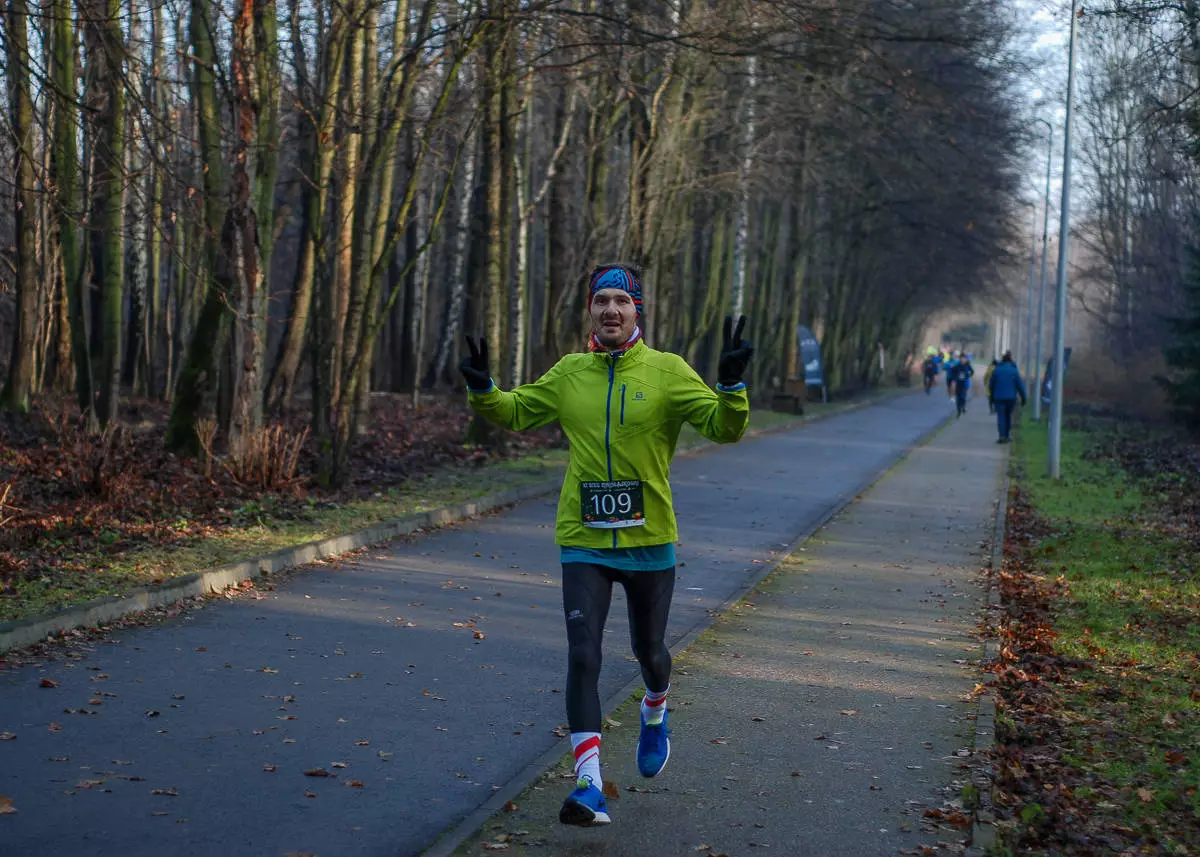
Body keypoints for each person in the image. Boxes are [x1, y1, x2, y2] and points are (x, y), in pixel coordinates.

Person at [460, 263, 753, 827]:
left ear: (637, 309)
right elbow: (517, 411)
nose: (611, 310)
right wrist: (482, 389)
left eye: (622, 300)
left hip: (649, 540)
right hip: (584, 540)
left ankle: (655, 707)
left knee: (651, 654)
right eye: (601, 301)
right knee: (583, 655)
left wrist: (733, 387)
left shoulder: (667, 371)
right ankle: (589, 785)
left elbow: (723, 427)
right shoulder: (571, 373)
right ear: (590, 311)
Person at [988, 351, 1026, 443]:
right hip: (1011, 398)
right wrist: (1023, 398)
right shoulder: (1014, 371)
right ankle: (1007, 435)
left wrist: (992, 397)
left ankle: (1001, 436)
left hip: (999, 398)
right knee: (1008, 415)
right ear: (1010, 361)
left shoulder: (996, 370)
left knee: (1001, 416)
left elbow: (991, 385)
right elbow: (1020, 386)